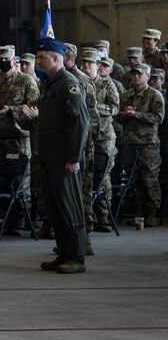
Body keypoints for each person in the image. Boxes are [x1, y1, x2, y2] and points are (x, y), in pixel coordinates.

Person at [35, 38, 90, 274]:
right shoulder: (48, 84)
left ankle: (76, 257)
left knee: (69, 206)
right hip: (49, 154)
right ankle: (63, 252)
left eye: (42, 57)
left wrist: (74, 157)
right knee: (55, 207)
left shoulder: (69, 84)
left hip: (64, 156)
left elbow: (80, 123)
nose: (38, 61)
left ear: (57, 58)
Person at [0, 45, 39, 235]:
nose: (2, 63)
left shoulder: (27, 81)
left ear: (14, 61)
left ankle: (20, 220)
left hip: (19, 136)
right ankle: (3, 219)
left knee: (21, 181)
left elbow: (33, 106)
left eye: (5, 60)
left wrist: (12, 110)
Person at [117, 62, 164, 227]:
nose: (136, 76)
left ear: (148, 76)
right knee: (134, 180)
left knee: (150, 179)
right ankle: (139, 213)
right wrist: (125, 114)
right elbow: (118, 116)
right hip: (130, 142)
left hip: (148, 143)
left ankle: (153, 213)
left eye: (139, 74)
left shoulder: (154, 95)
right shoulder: (126, 95)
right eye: (134, 74)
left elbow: (158, 118)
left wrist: (136, 115)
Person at [79, 48, 119, 234]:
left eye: (90, 62)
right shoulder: (79, 82)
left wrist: (94, 107)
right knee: (86, 175)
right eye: (84, 62)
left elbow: (114, 108)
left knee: (103, 175)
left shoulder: (107, 84)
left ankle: (103, 215)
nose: (86, 65)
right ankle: (88, 217)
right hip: (86, 135)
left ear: (97, 65)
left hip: (104, 136)